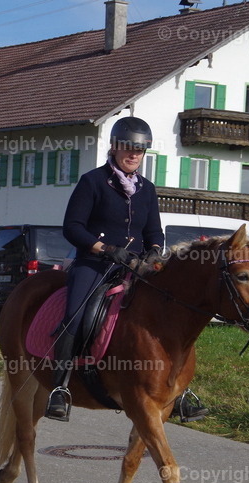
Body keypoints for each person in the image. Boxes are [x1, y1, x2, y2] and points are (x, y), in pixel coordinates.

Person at [45, 116, 165, 422]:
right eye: (128, 147)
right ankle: (60, 387)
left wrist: (152, 252)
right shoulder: (93, 181)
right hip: (96, 263)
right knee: (75, 314)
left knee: (168, 311)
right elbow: (72, 227)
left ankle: (178, 387)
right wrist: (106, 249)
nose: (134, 154)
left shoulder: (147, 189)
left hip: (136, 267)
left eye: (139, 149)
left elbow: (155, 232)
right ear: (113, 147)